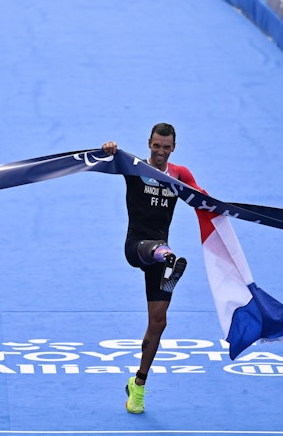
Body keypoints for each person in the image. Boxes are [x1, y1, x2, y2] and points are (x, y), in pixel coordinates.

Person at [102, 123, 202, 414]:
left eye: (166, 147)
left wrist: (226, 210)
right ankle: (166, 257)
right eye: (156, 146)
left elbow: (201, 199)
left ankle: (138, 385)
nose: (160, 152)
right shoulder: (134, 167)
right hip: (138, 247)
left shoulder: (179, 174)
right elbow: (108, 159)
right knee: (158, 250)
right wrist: (109, 149)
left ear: (174, 148)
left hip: (162, 259)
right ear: (149, 143)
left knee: (158, 323)